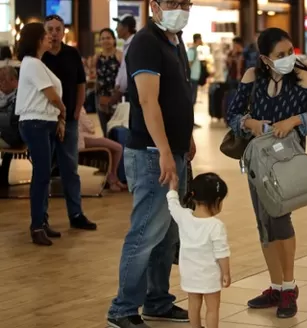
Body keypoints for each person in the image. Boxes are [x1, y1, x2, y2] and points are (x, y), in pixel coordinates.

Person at [226, 27, 307, 319]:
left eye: (290, 52)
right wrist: (249, 123)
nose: (288, 58)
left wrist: (295, 120)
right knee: (264, 220)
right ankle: (275, 285)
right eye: (280, 55)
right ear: (265, 58)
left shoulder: (302, 77)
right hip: (257, 159)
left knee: (280, 217)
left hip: (287, 158)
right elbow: (232, 114)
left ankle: (289, 286)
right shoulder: (252, 77)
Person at [107, 0, 196, 327]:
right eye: (173, 2)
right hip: (150, 153)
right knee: (146, 232)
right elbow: (147, 100)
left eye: (185, 2)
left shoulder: (175, 39)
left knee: (168, 234)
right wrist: (162, 151)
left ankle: (157, 301)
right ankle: (122, 309)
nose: (181, 8)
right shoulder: (146, 42)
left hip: (174, 150)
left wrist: (185, 140)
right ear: (155, 6)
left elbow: (179, 94)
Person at [42, 14, 96, 230]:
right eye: (51, 29)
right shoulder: (40, 56)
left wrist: (76, 110)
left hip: (69, 120)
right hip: (45, 120)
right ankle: (41, 219)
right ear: (45, 32)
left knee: (70, 169)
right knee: (43, 170)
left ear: (63, 31)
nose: (55, 33)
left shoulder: (72, 54)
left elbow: (81, 84)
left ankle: (76, 214)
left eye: (58, 29)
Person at [15, 22, 66, 245]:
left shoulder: (37, 64)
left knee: (44, 176)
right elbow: (51, 96)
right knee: (42, 175)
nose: (49, 38)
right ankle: (36, 226)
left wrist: (59, 118)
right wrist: (63, 111)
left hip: (44, 123)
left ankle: (42, 221)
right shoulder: (32, 63)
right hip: (35, 123)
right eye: (45, 34)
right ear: (36, 39)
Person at [167, 172, 231, 328]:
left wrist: (172, 190)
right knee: (212, 308)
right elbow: (222, 253)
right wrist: (226, 273)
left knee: (193, 305)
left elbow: (173, 206)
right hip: (209, 276)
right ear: (216, 201)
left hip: (189, 274)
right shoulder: (215, 225)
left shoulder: (184, 216)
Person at [77, 108, 126, 191]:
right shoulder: (78, 107)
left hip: (78, 137)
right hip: (81, 138)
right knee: (118, 148)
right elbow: (89, 127)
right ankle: (112, 177)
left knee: (111, 148)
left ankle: (112, 177)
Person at [95, 28, 122, 136]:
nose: (105, 41)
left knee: (117, 128)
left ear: (114, 40)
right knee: (104, 129)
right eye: (102, 38)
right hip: (101, 97)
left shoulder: (120, 55)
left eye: (108, 38)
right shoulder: (97, 57)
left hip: (116, 97)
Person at [0, 66, 22, 187]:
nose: (0, 84)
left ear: (14, 81)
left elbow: (11, 120)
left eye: (3, 80)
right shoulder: (3, 96)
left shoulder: (19, 97)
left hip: (11, 135)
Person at [110, 14, 137, 106]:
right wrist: (118, 84)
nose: (116, 29)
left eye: (118, 26)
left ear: (126, 28)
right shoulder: (127, 44)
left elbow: (128, 70)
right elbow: (123, 68)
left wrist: (120, 90)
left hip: (132, 92)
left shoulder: (134, 44)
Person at [187, 33, 203, 129]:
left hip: (195, 78)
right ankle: (190, 121)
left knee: (193, 100)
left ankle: (192, 120)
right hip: (192, 78)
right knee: (191, 100)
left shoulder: (195, 50)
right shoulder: (192, 50)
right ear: (197, 39)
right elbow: (189, 64)